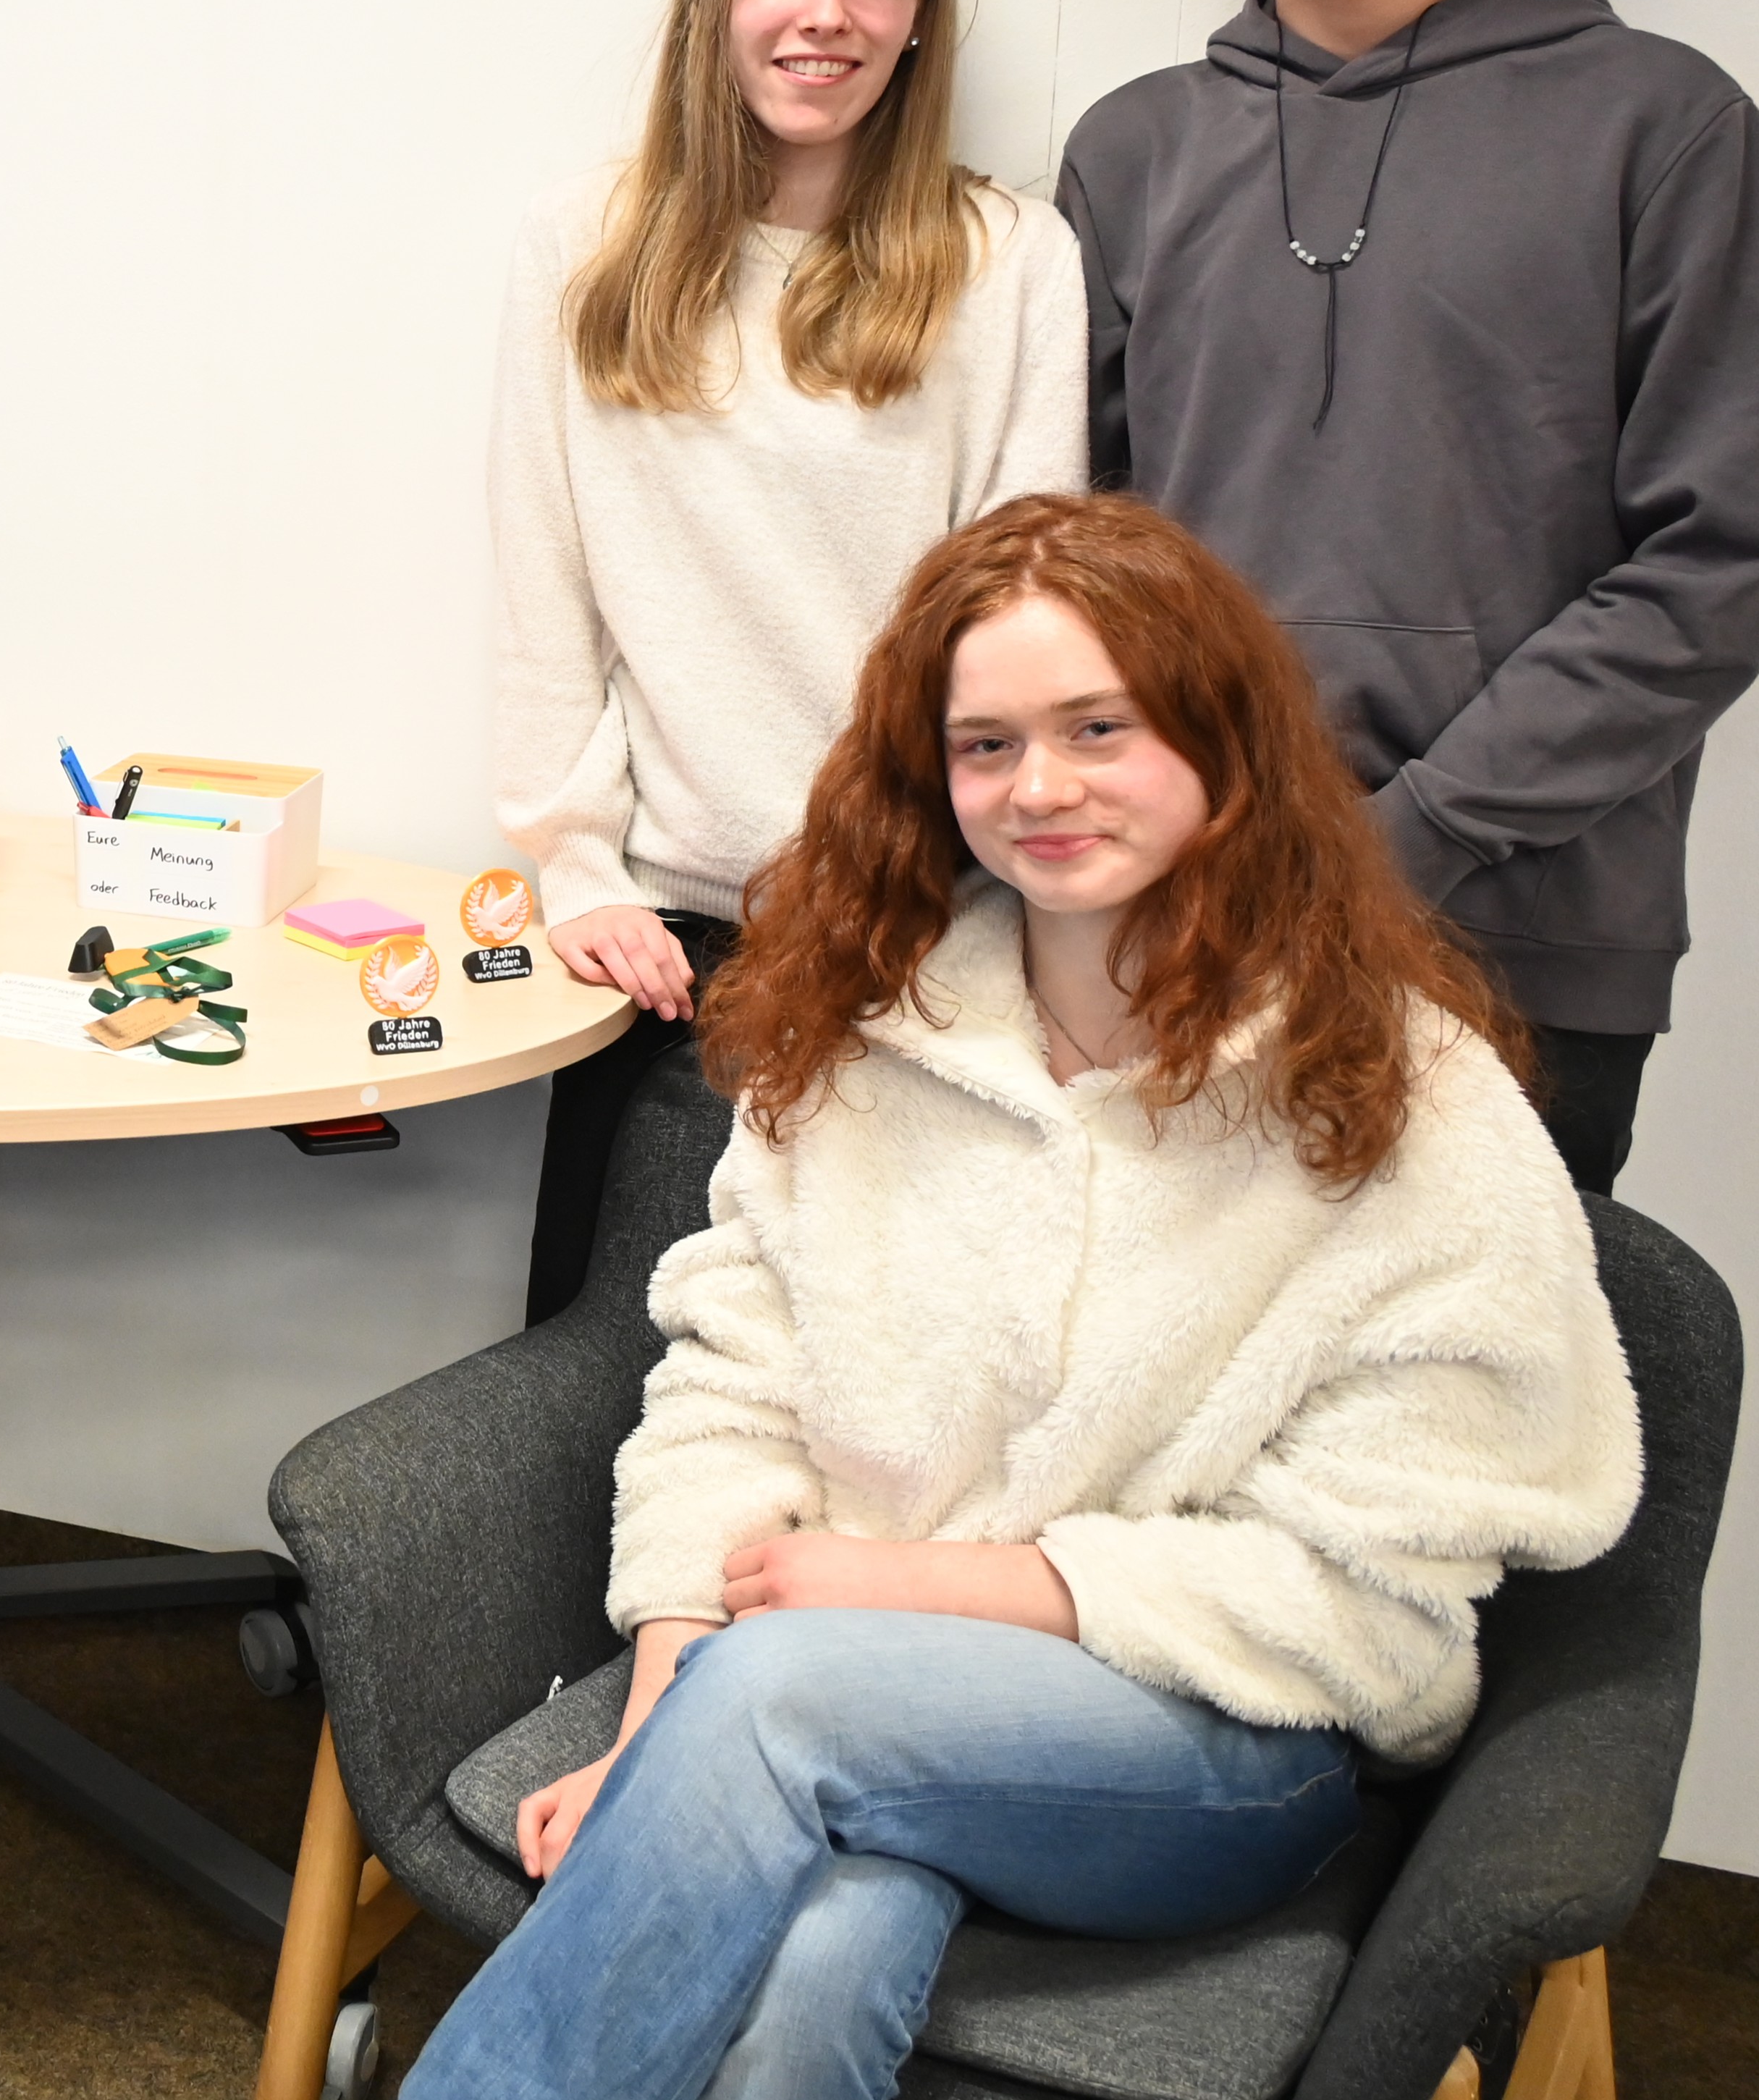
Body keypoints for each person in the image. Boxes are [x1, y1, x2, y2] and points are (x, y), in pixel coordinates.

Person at [405, 490, 1641, 2099]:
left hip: (1224, 1744)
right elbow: (729, 1389)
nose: (1036, 787)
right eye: (983, 745)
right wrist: (656, 1738)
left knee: (775, 1707)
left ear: (1221, 742)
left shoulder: (1413, 1098)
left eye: (1095, 727)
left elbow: (1363, 1592)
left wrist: (900, 1591)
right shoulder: (862, 1026)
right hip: (844, 1696)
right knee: (818, 1949)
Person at [1058, 0, 1759, 1197]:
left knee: (1490, 1363)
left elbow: (1720, 555)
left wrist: (1408, 835)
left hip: (1526, 934)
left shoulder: (1663, 127)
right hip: (1184, 910)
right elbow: (1075, 547)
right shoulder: (1133, 149)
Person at [489, 0, 1084, 1321]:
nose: (827, 16)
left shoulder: (1009, 259)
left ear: (919, 15)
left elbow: (1024, 626)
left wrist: (924, 883)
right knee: (607, 1385)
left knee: (887, 1387)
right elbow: (541, 589)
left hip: (923, 935)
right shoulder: (585, 243)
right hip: (660, 949)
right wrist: (573, 871)